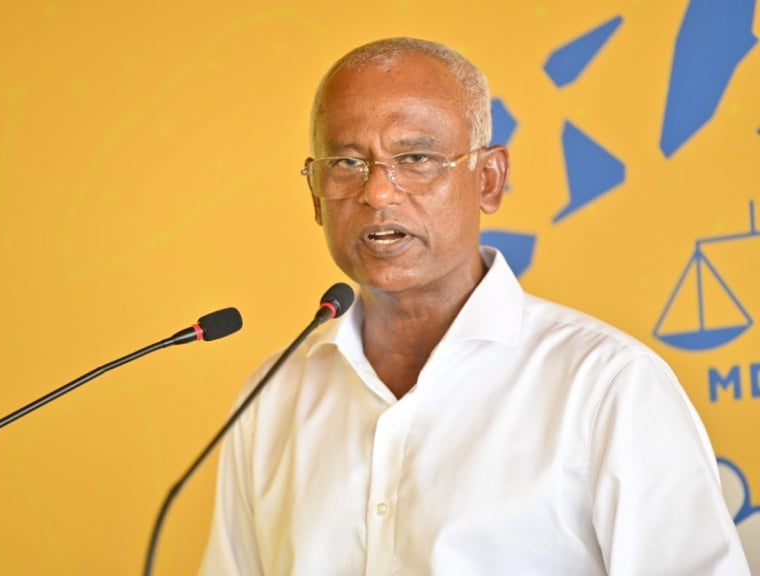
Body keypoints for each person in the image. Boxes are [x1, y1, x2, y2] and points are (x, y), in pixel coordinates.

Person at [199, 37, 749, 575]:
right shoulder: (271, 397)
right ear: (316, 195)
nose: (378, 193)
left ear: (488, 179)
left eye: (416, 157)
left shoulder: (608, 385)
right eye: (346, 162)